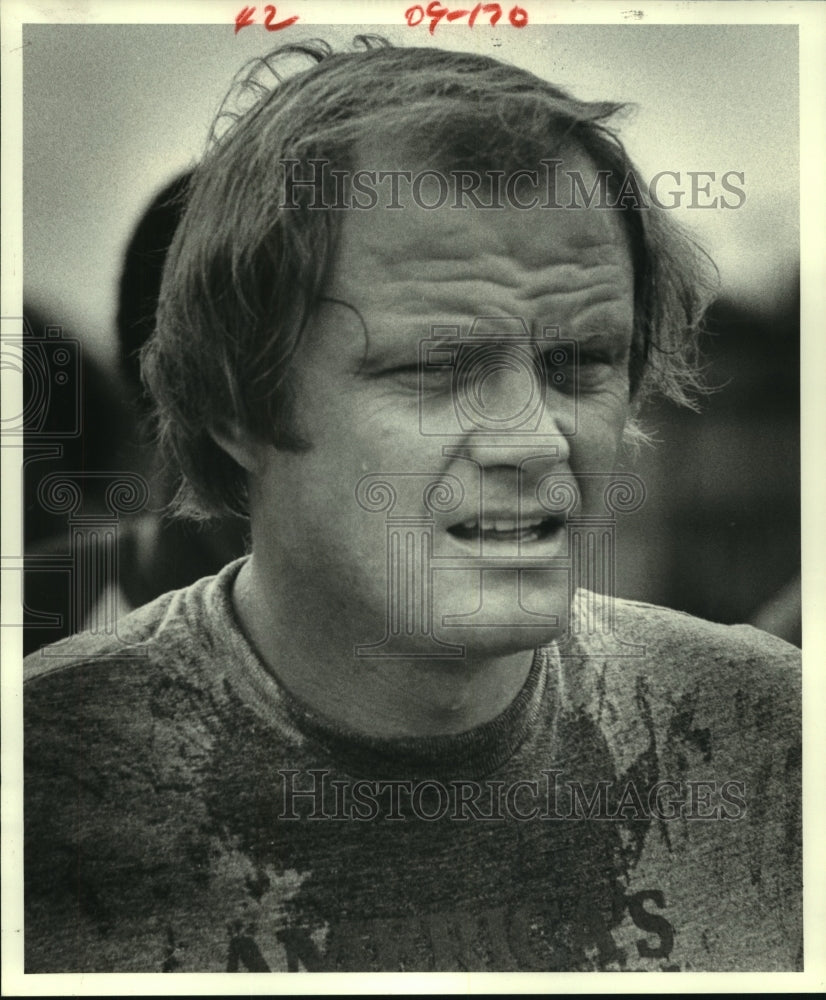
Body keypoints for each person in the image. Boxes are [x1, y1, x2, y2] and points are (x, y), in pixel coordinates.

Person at [24, 37, 801, 973]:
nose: (534, 438)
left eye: (579, 364)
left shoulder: (771, 742)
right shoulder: (44, 783)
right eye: (436, 369)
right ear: (239, 405)